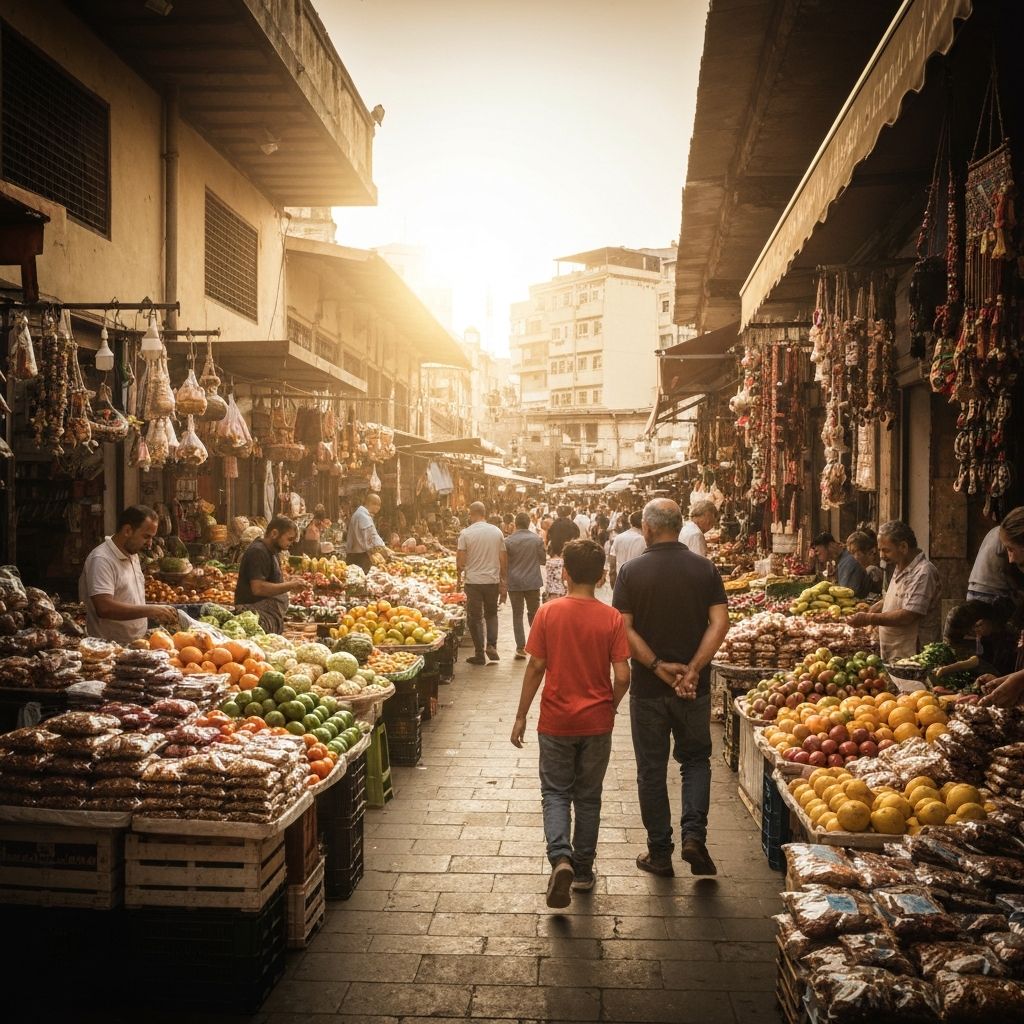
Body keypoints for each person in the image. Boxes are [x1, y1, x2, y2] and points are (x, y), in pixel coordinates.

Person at [510, 539, 631, 907]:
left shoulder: (548, 613)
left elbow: (536, 666)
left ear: (564, 574)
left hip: (556, 721)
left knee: (556, 793)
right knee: (589, 797)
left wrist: (521, 715)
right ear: (601, 576)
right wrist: (610, 707)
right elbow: (623, 676)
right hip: (596, 723)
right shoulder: (611, 617)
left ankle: (560, 858)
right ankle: (582, 871)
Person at [613, 499, 729, 877]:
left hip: (649, 690)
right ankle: (694, 837)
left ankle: (660, 853)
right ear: (679, 527)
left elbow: (623, 629)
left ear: (647, 529)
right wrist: (693, 669)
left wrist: (656, 666)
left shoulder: (631, 572)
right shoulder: (705, 569)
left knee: (651, 769)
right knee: (695, 761)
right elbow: (720, 623)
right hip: (693, 689)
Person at [79, 505, 179, 641]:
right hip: (109, 646)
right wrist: (151, 610)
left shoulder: (132, 554)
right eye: (146, 537)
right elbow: (104, 608)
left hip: (135, 642)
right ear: (127, 531)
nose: (150, 544)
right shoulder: (102, 559)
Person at [847, 521, 941, 662]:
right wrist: (879, 606)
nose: (881, 555)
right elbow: (902, 597)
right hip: (896, 652)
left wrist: (869, 618)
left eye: (886, 550)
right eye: (880, 550)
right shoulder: (900, 565)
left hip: (914, 656)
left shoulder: (923, 573)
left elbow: (909, 615)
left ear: (903, 547)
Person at [234, 516, 307, 635]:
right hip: (253, 615)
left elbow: (273, 581)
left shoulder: (272, 551)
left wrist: (291, 583)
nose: (291, 544)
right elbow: (258, 588)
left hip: (264, 614)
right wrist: (290, 585)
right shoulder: (258, 551)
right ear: (274, 533)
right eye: (289, 539)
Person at [456, 501, 508, 665]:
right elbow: (503, 559)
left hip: (473, 582)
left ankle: (479, 654)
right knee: (491, 614)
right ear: (484, 513)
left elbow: (460, 561)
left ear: (471, 514)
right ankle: (491, 645)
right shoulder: (497, 532)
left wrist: (459, 575)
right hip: (492, 581)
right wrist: (503, 581)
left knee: (475, 617)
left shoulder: (466, 533)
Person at [505, 512, 547, 660]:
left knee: (517, 614)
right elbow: (543, 560)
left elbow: (504, 562)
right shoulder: (537, 540)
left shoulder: (508, 541)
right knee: (534, 614)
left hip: (514, 582)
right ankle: (537, 645)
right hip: (532, 582)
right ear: (529, 523)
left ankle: (520, 647)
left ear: (515, 524)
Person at [968, 507, 1024, 614]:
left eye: (1011, 549)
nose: (1011, 559)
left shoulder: (996, 532)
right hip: (989, 591)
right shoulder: (1000, 534)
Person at [943, 600, 1018, 677]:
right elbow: (950, 643)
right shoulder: (984, 637)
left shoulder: (1009, 634)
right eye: (969, 632)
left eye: (977, 626)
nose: (975, 632)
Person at [811, 531, 869, 598]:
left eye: (817, 551)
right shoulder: (841, 561)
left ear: (831, 545)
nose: (815, 554)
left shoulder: (847, 561)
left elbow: (844, 595)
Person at [346, 493, 391, 572]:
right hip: (359, 557)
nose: (379, 508)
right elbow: (372, 537)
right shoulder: (363, 517)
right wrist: (385, 550)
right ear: (371, 504)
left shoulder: (359, 513)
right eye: (378, 505)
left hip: (353, 555)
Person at [608, 510, 646, 588]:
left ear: (630, 523)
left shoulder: (618, 538)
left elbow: (612, 563)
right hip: (638, 584)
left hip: (620, 583)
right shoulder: (645, 540)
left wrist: (613, 580)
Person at [846, 529, 884, 597]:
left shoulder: (873, 571)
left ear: (867, 552)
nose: (851, 557)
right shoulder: (855, 569)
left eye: (854, 552)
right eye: (850, 553)